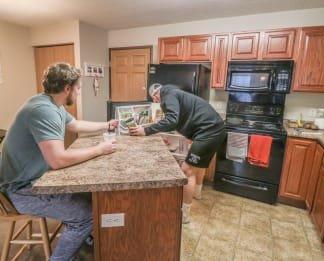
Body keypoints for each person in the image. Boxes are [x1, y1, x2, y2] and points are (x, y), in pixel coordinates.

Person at [0, 63, 118, 261]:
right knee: (86, 216)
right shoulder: (44, 111)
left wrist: (106, 125)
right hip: (22, 191)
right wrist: (99, 150)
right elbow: (58, 160)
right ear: (67, 88)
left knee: (92, 194)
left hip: (34, 180)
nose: (79, 93)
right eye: (79, 88)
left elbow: (75, 125)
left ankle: (83, 239)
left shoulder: (48, 103)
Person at [129, 84, 225, 223]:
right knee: (198, 165)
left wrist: (146, 131)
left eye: (156, 101)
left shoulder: (167, 95)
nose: (158, 103)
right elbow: (183, 116)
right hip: (214, 129)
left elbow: (172, 120)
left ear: (156, 96)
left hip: (207, 132)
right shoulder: (175, 92)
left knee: (187, 171)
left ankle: (184, 215)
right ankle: (196, 194)